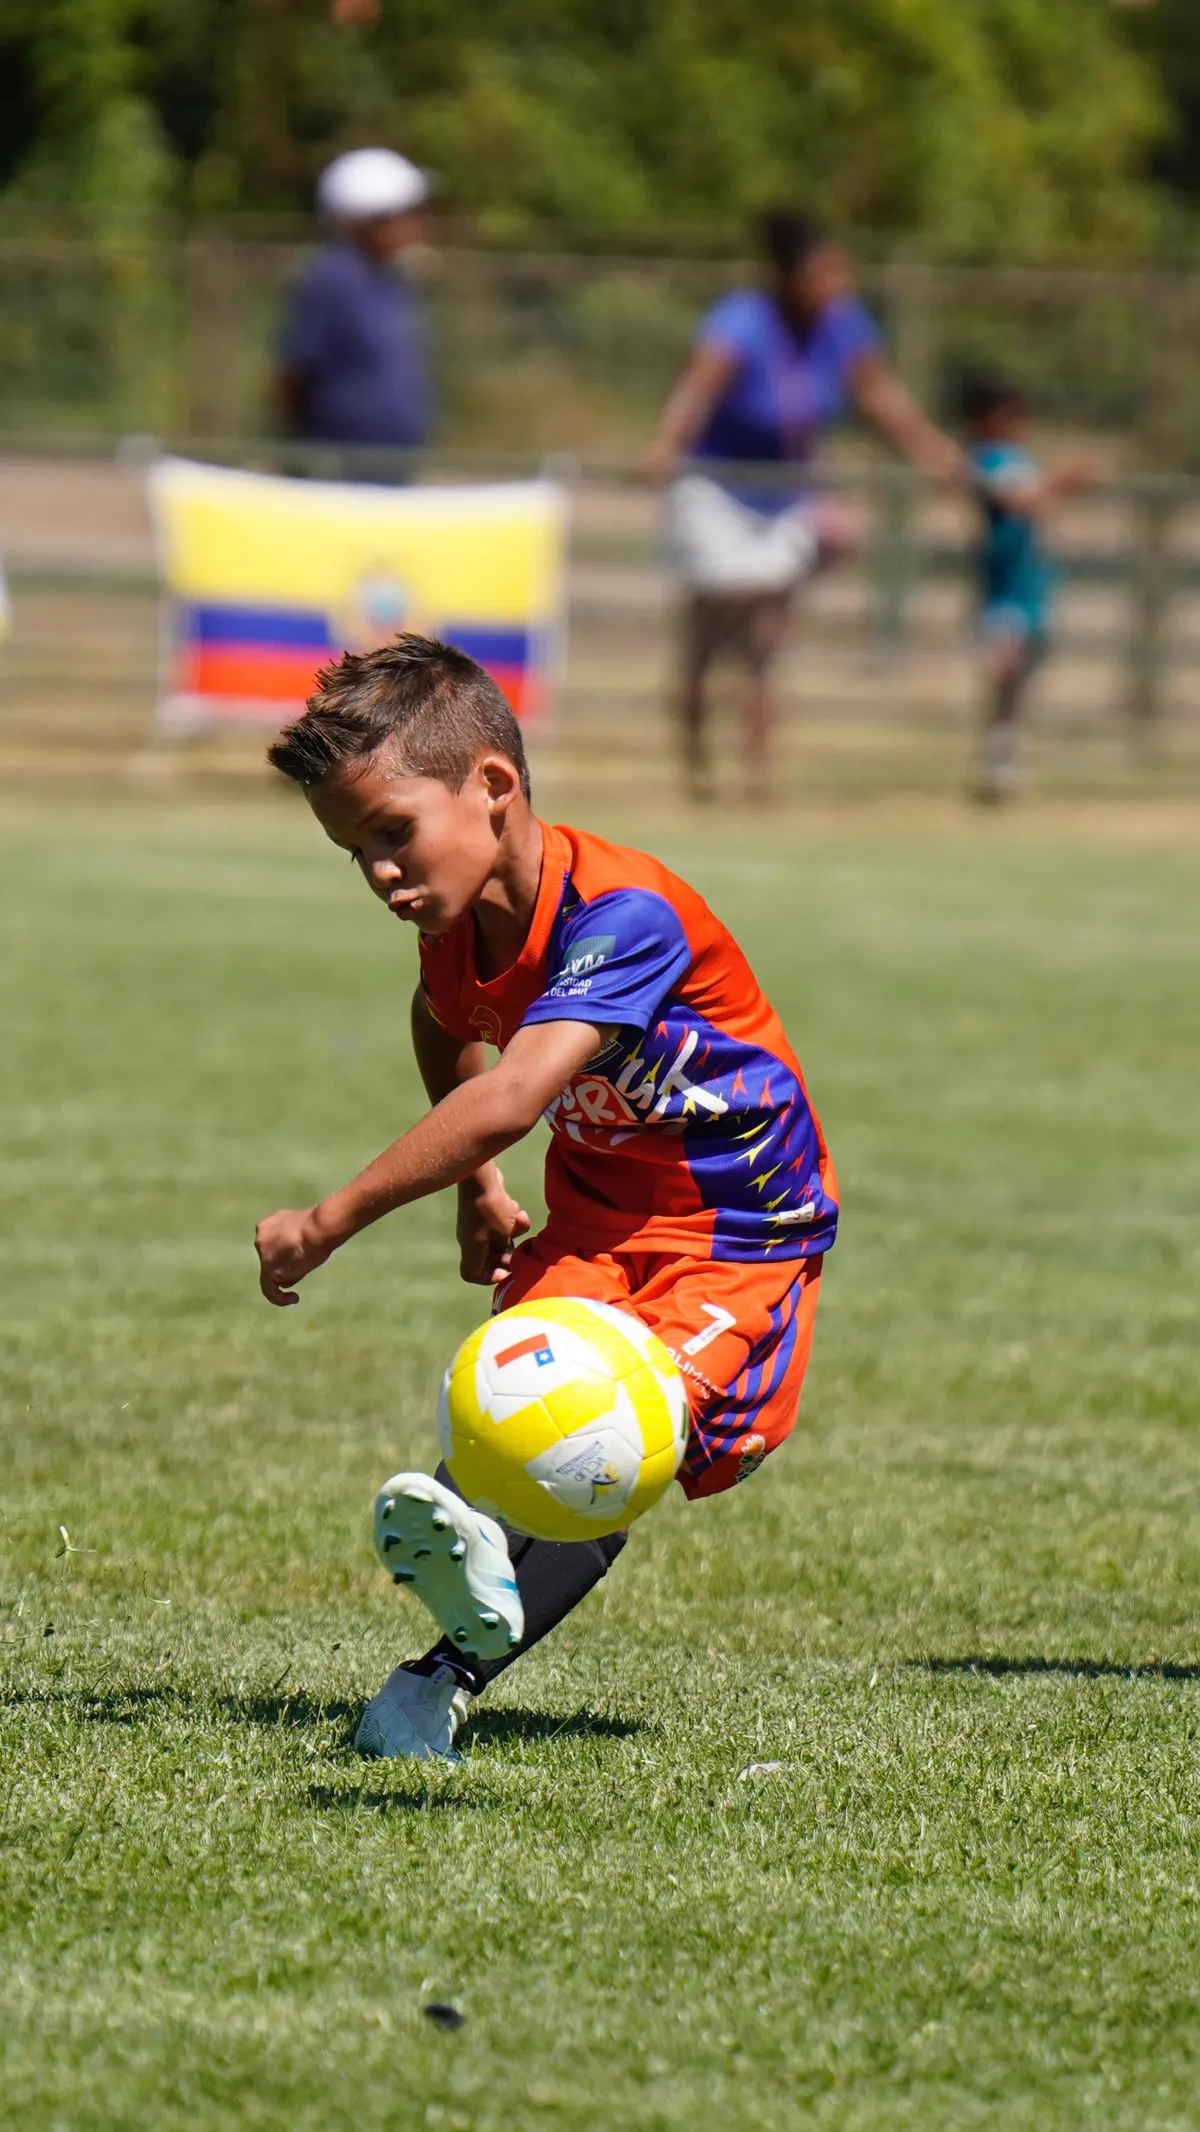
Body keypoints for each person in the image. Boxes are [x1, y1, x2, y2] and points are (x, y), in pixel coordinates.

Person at [254, 633, 839, 1763]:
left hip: (739, 1225)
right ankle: (463, 1611)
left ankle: (454, 1618)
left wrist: (329, 1220)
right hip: (601, 1215)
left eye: (392, 833)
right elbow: (443, 1022)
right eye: (353, 851)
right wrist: (477, 1189)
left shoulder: (625, 913)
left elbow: (516, 1091)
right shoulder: (460, 926)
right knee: (542, 1427)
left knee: (611, 1437)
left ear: (495, 786)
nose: (379, 872)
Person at [642, 208, 963, 803]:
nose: (837, 287)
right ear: (789, 277)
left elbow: (879, 394)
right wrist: (665, 445)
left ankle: (757, 777)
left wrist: (933, 452)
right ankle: (698, 771)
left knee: (767, 640)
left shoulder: (842, 324)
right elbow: (698, 385)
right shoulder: (742, 319)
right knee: (710, 634)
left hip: (785, 494)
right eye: (824, 274)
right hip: (718, 489)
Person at [960, 374, 1098, 804]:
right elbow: (1020, 501)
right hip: (1002, 589)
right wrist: (1064, 479)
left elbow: (1038, 505)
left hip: (1031, 586)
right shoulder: (984, 461)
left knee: (1020, 681)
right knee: (1005, 670)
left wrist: (1061, 489)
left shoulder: (1021, 460)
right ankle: (997, 765)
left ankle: (1004, 762)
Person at [277, 148, 434, 456]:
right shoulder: (332, 279)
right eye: (401, 214)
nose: (414, 224)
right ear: (365, 220)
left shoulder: (390, 279)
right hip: (343, 468)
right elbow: (294, 374)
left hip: (389, 464)